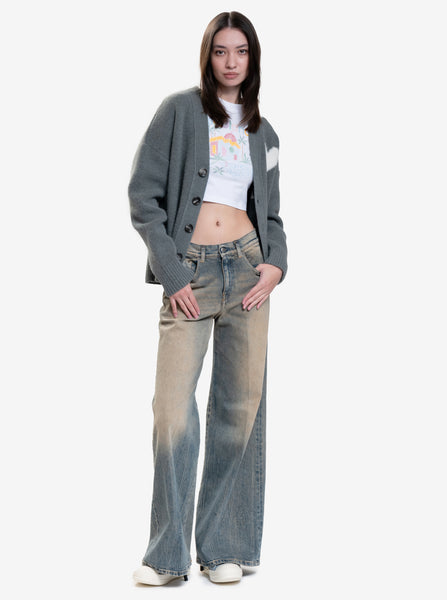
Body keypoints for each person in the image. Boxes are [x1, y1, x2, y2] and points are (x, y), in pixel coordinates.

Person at [128, 11, 288, 586]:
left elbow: (271, 215)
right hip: (190, 274)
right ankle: (166, 556)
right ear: (208, 56)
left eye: (241, 51)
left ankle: (223, 547)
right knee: (173, 410)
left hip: (248, 274)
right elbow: (143, 197)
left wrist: (276, 264)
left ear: (253, 58)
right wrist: (172, 274)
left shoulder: (265, 134)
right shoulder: (178, 111)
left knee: (239, 409)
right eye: (221, 51)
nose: (230, 61)